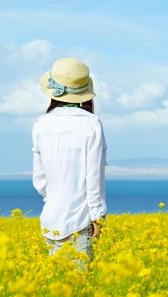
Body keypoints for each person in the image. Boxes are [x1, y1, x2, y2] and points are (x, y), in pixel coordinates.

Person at [32, 57, 107, 260]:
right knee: (78, 288)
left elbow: (40, 180)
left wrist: (56, 199)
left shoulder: (40, 124)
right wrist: (98, 217)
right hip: (78, 222)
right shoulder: (91, 124)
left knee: (56, 287)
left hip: (50, 221)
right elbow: (94, 178)